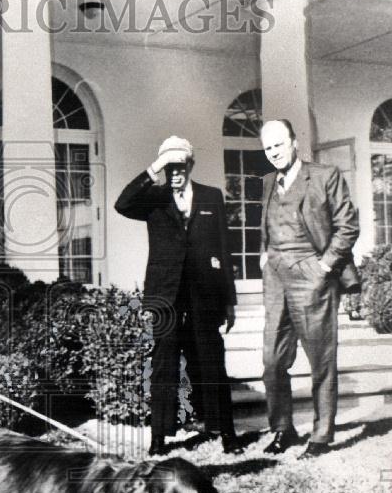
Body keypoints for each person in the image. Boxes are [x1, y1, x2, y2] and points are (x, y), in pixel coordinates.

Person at [115, 136, 240, 457]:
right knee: (163, 367)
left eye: (179, 166)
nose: (174, 173)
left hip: (205, 296)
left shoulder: (211, 197)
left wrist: (229, 302)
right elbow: (122, 203)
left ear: (190, 165)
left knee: (212, 364)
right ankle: (159, 439)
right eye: (168, 167)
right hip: (165, 296)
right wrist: (153, 168)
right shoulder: (153, 199)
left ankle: (227, 433)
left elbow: (224, 252)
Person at [258, 119, 360, 459]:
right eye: (268, 147)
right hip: (275, 279)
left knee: (321, 360)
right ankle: (282, 430)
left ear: (295, 142)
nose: (273, 153)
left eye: (279, 144)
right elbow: (267, 227)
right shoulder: (268, 182)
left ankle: (320, 435)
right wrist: (264, 256)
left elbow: (348, 226)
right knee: (272, 361)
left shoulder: (324, 175)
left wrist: (325, 266)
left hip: (312, 275)